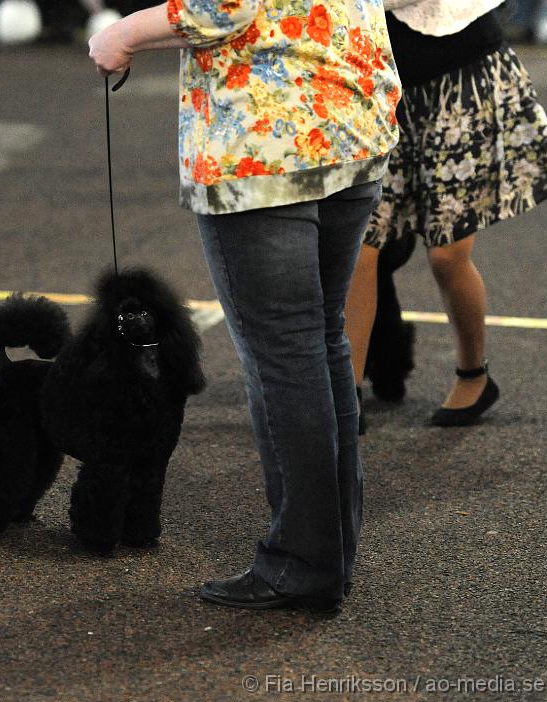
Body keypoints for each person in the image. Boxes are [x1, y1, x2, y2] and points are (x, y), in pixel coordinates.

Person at [89, 2, 400, 611]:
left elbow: (218, 6)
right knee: (318, 342)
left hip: (265, 140)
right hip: (350, 112)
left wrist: (121, 34)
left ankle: (303, 562)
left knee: (284, 357)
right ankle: (329, 548)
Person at [345, 0, 547, 428]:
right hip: (376, 82)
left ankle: (474, 374)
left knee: (447, 254)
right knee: (360, 246)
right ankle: (344, 393)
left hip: (462, 83)